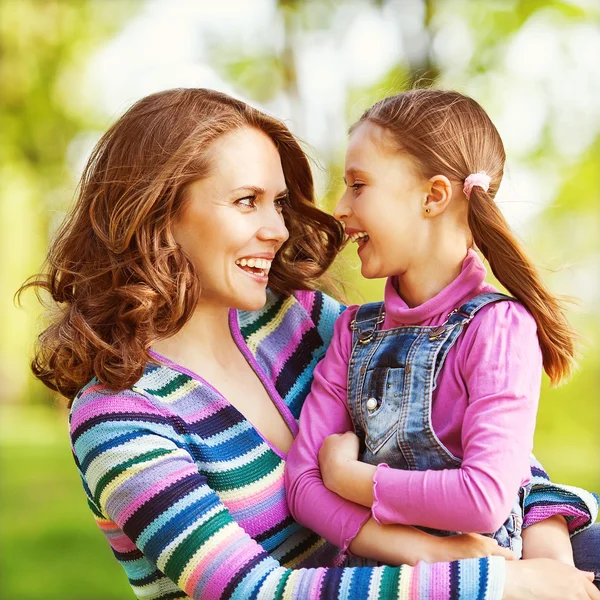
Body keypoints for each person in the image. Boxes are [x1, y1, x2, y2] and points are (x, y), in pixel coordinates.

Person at [21, 87, 599, 599]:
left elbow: (481, 447)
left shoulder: (305, 323)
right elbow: (254, 590)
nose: (277, 228)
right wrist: (477, 577)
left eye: (277, 203)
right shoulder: (118, 418)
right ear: (159, 214)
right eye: (247, 201)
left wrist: (547, 551)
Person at [285, 88, 599, 577]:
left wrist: (351, 478)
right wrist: (418, 549)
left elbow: (483, 500)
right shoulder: (353, 332)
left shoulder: (499, 328)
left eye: (358, 185)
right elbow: (303, 487)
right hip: (396, 581)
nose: (340, 208)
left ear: (433, 196)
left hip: (493, 577)